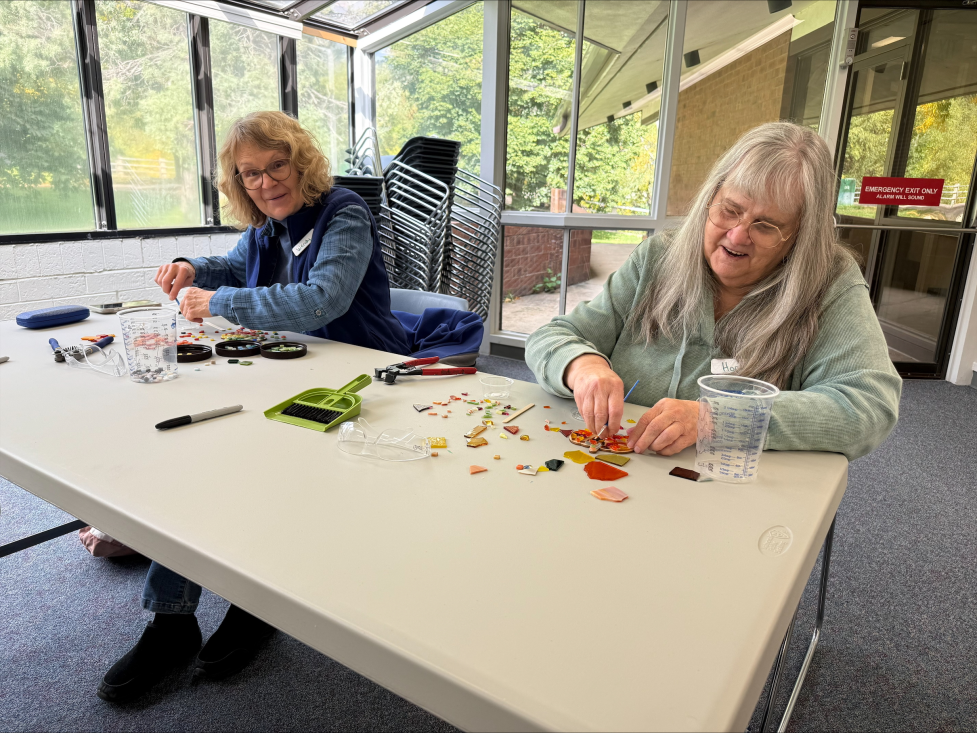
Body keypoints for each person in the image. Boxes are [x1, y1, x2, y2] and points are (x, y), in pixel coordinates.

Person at [98, 111, 409, 703]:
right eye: (250, 174)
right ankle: (171, 621)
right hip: (285, 366)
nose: (266, 183)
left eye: (277, 166)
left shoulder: (344, 212)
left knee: (262, 470)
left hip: (363, 377)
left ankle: (255, 602)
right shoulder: (265, 229)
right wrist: (194, 267)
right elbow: (232, 267)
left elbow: (321, 301)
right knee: (198, 459)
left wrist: (219, 301)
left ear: (302, 163)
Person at [526, 122, 901, 460]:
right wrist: (583, 366)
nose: (737, 236)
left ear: (799, 238)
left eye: (767, 226)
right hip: (616, 467)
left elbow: (868, 407)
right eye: (730, 210)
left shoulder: (829, 281)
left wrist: (718, 418)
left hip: (734, 488)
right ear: (710, 198)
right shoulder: (657, 257)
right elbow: (553, 337)